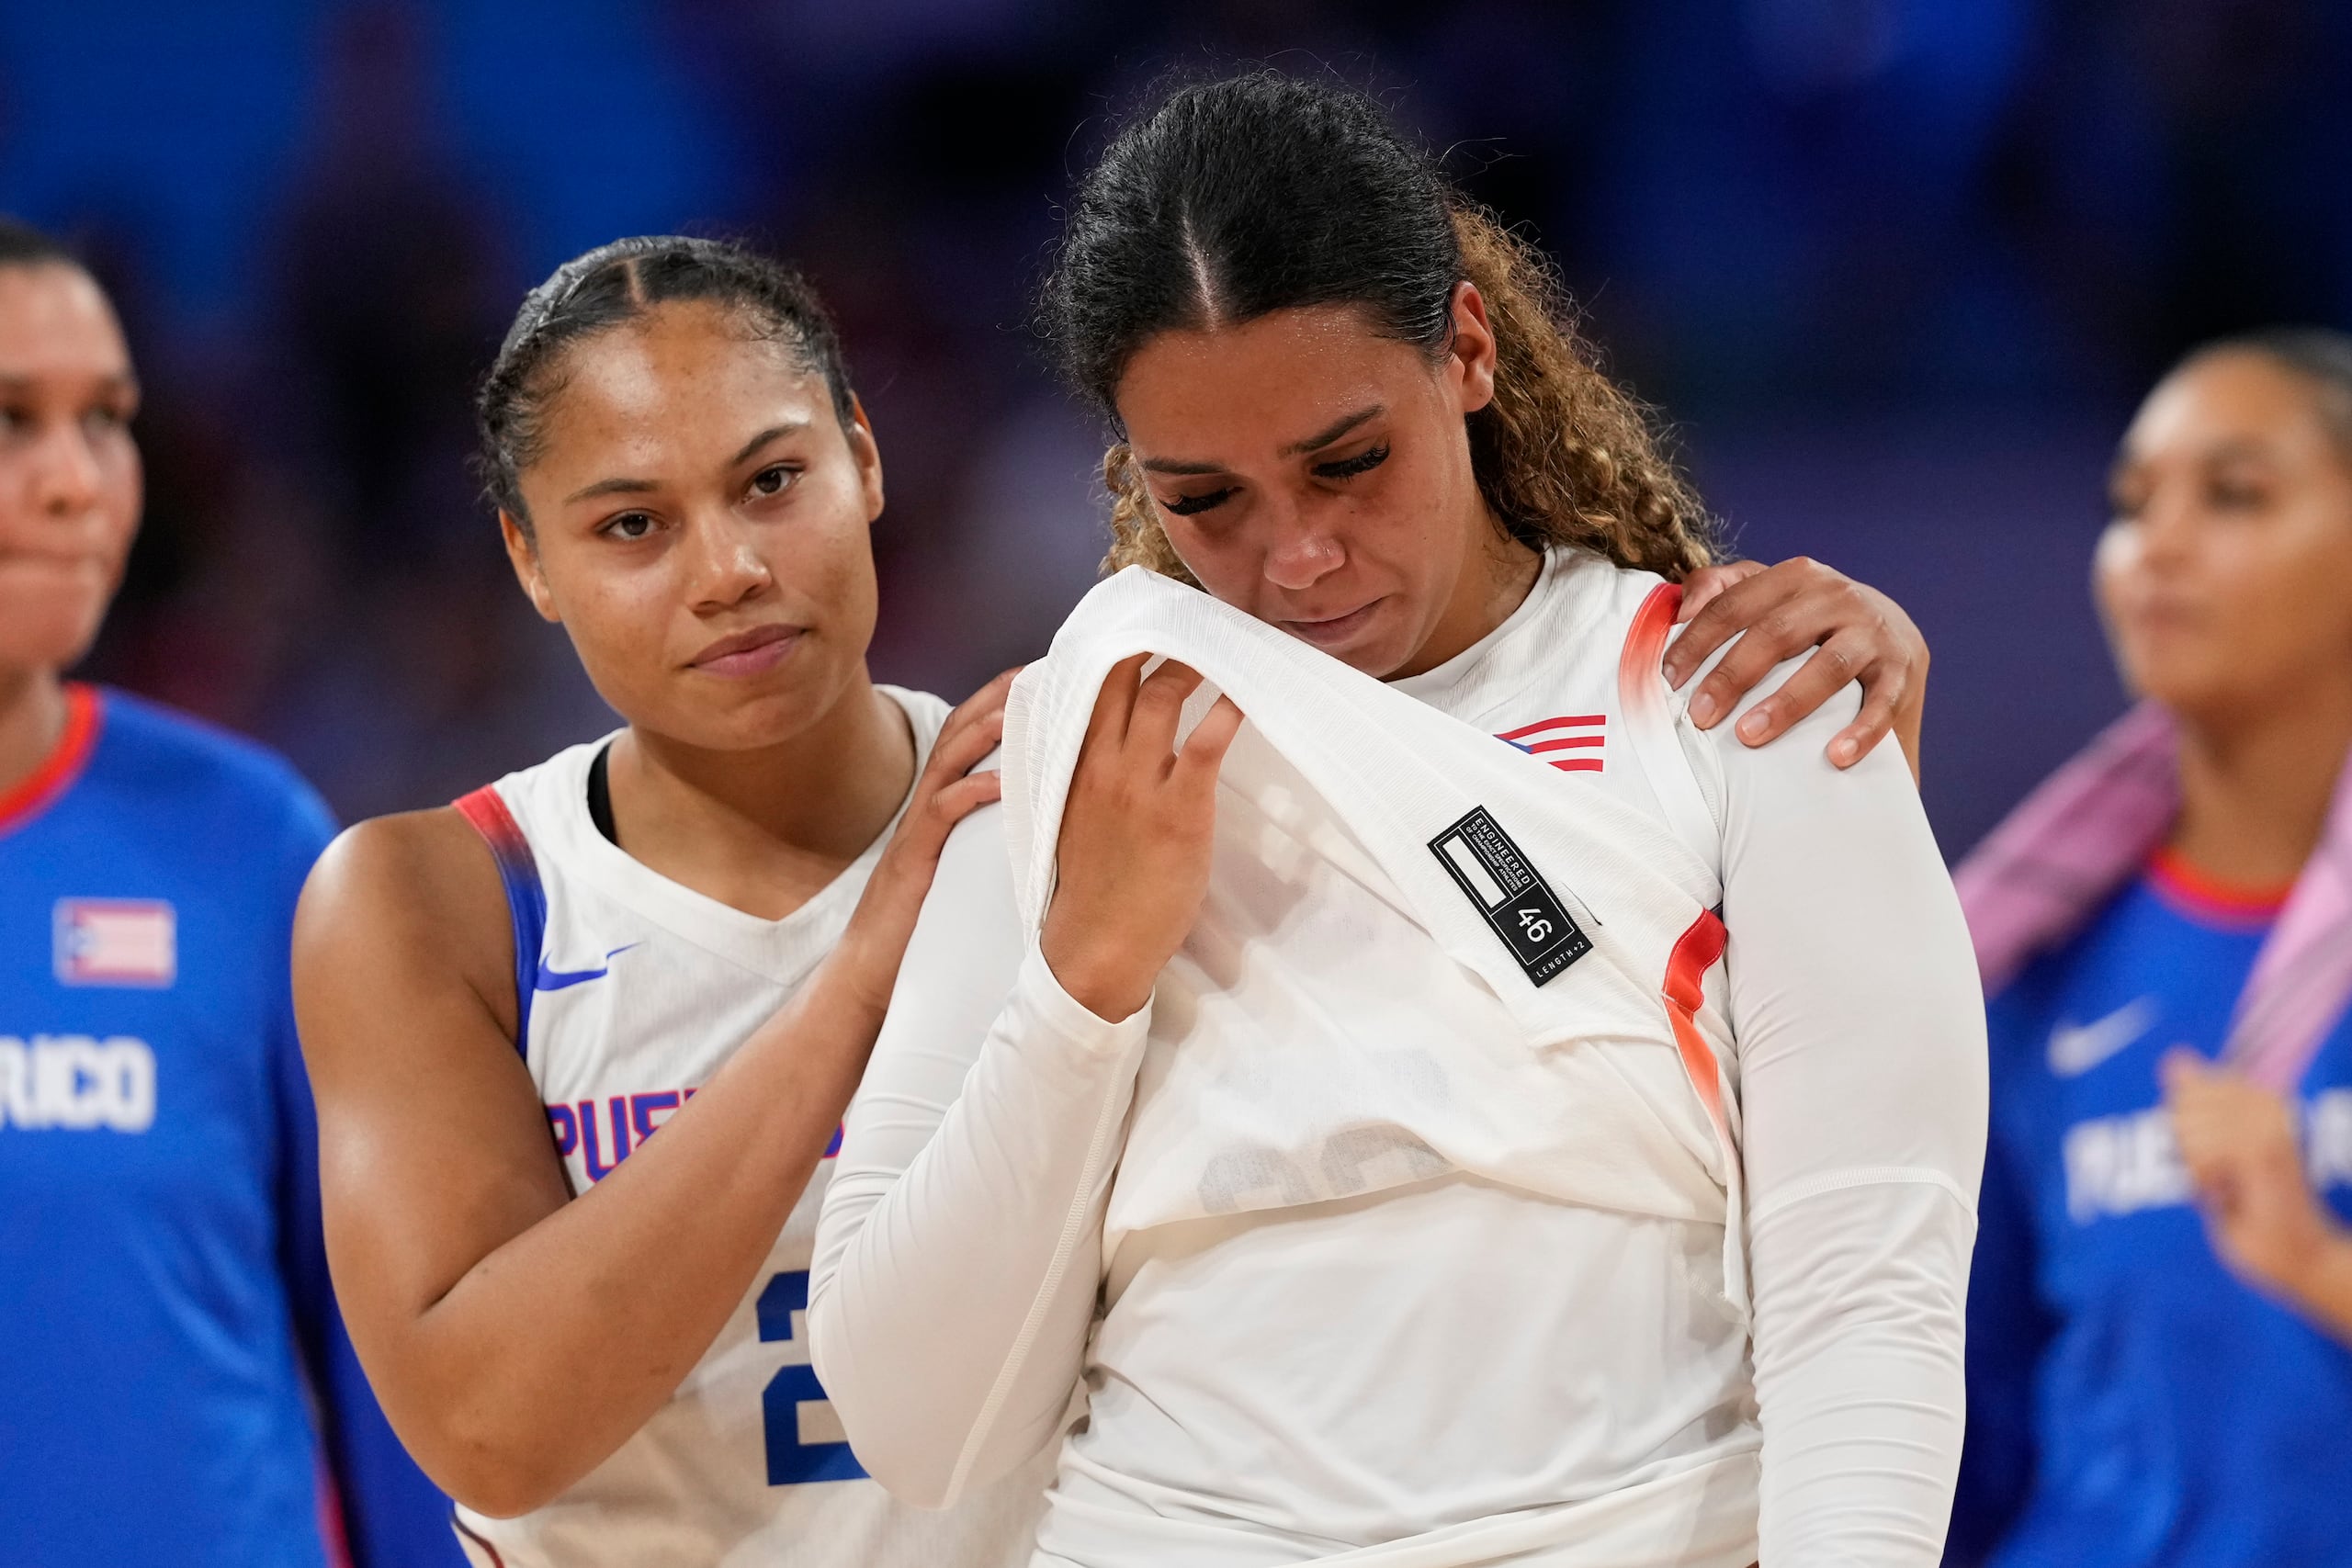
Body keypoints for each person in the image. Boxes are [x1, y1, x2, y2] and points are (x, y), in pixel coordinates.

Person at [294, 230, 1932, 1566]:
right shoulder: (440, 896)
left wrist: (1802, 754)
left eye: (771, 482)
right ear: (527, 559)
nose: (725, 568)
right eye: (631, 526)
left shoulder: (1098, 783)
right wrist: (866, 974)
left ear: (865, 462)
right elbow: (488, 1423)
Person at [809, 72, 1985, 1568]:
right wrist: (1080, 986)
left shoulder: (1750, 697)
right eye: (1206, 501)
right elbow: (914, 1422)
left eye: (1348, 462)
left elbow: (1867, 1297)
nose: (1297, 559)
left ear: (1471, 353)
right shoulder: (1058, 762)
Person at [0, 216, 458, 1566]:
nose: (79, 482)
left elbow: (390, 1350)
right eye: (11, 420)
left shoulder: (246, 842)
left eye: (108, 421)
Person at [1949, 329, 2352, 1566]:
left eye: (2235, 494)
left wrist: (2317, 1266)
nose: (2156, 548)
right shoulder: (2022, 967)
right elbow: (1977, 1426)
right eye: (2131, 506)